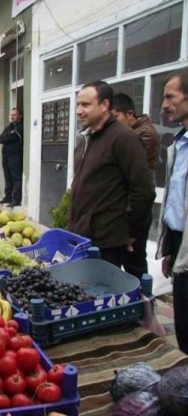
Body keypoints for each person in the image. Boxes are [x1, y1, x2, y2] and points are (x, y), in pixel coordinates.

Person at [69, 80, 155, 270]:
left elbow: (143, 191)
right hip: (83, 237)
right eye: (78, 104)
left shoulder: (124, 138)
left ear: (105, 105)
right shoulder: (87, 138)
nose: (78, 111)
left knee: (105, 295)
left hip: (107, 242)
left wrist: (132, 233)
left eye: (85, 105)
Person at [111, 92, 161, 278]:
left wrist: (132, 227)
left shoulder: (141, 135)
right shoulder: (131, 133)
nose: (113, 123)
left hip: (135, 211)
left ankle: (143, 305)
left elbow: (139, 187)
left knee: (134, 264)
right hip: (127, 209)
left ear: (129, 114)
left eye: (115, 117)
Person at [157, 68, 188, 354]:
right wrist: (169, 247)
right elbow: (176, 202)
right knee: (183, 328)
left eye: (171, 96)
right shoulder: (179, 143)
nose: (164, 104)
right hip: (179, 244)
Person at [0, 108, 24, 206]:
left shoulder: (20, 127)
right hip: (6, 156)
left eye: (14, 115)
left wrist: (7, 136)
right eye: (11, 114)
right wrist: (7, 136)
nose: (12, 116)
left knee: (16, 177)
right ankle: (8, 197)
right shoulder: (9, 127)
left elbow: (9, 137)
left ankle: (16, 199)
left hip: (15, 156)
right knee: (7, 177)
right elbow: (1, 139)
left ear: (19, 116)